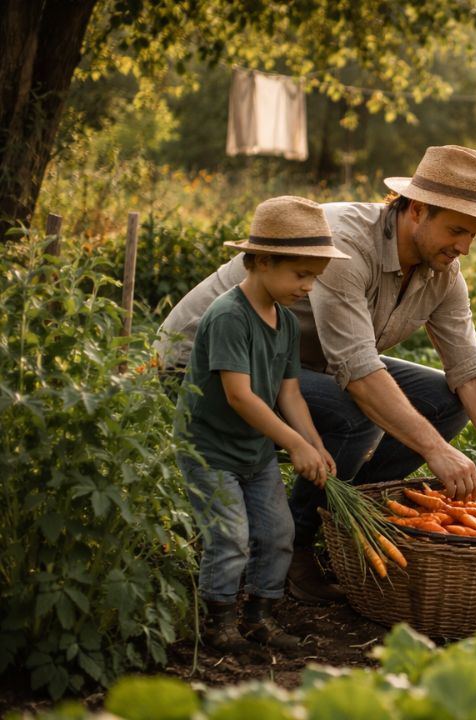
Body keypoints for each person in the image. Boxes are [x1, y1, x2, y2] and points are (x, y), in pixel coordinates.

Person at [159, 145, 476, 604]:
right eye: (456, 229)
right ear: (417, 210)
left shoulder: (443, 272)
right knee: (352, 413)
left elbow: (471, 368)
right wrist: (435, 451)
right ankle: (294, 543)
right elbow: (358, 372)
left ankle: (337, 514)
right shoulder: (343, 243)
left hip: (298, 363)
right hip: (210, 360)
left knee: (444, 400)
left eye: (473, 235)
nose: (463, 247)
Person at [176, 196, 348, 652]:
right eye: (301, 274)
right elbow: (240, 395)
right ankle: (219, 622)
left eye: (314, 276)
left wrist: (314, 442)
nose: (309, 286)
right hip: (211, 450)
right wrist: (295, 445)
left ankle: (260, 617)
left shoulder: (286, 322)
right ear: (263, 261)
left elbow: (289, 393)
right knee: (230, 536)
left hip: (255, 452)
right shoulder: (229, 316)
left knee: (278, 533)